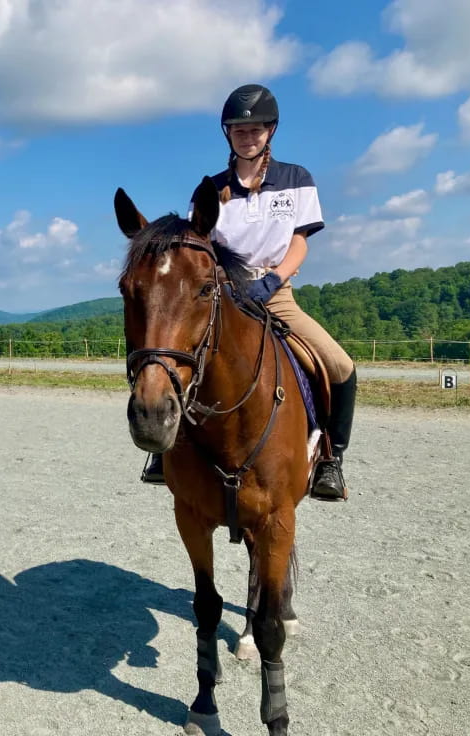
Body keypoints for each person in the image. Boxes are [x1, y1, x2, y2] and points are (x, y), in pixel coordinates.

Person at [140, 84, 356, 501]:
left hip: (275, 294)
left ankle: (331, 458)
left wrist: (274, 279)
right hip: (222, 297)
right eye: (239, 129)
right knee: (174, 357)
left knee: (340, 366)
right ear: (228, 134)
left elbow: (300, 241)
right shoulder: (210, 188)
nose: (248, 136)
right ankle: (163, 452)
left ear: (270, 132)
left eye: (256, 129)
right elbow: (198, 246)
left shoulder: (296, 179)